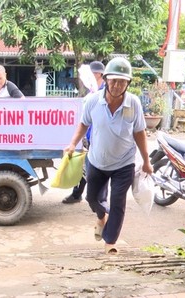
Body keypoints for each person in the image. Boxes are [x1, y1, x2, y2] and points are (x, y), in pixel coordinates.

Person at [64, 57, 153, 254]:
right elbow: (83, 124)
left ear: (127, 83)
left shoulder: (134, 103)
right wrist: (72, 143)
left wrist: (146, 161)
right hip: (97, 161)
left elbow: (140, 133)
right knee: (92, 198)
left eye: (122, 81)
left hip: (124, 163)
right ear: (105, 79)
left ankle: (110, 243)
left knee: (119, 203)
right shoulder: (93, 101)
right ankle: (101, 216)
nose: (117, 85)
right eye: (113, 80)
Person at [62, 61, 105, 204]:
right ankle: (77, 194)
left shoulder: (104, 91)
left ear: (98, 74)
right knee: (85, 165)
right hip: (88, 135)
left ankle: (98, 199)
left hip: (99, 137)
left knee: (96, 168)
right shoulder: (92, 91)